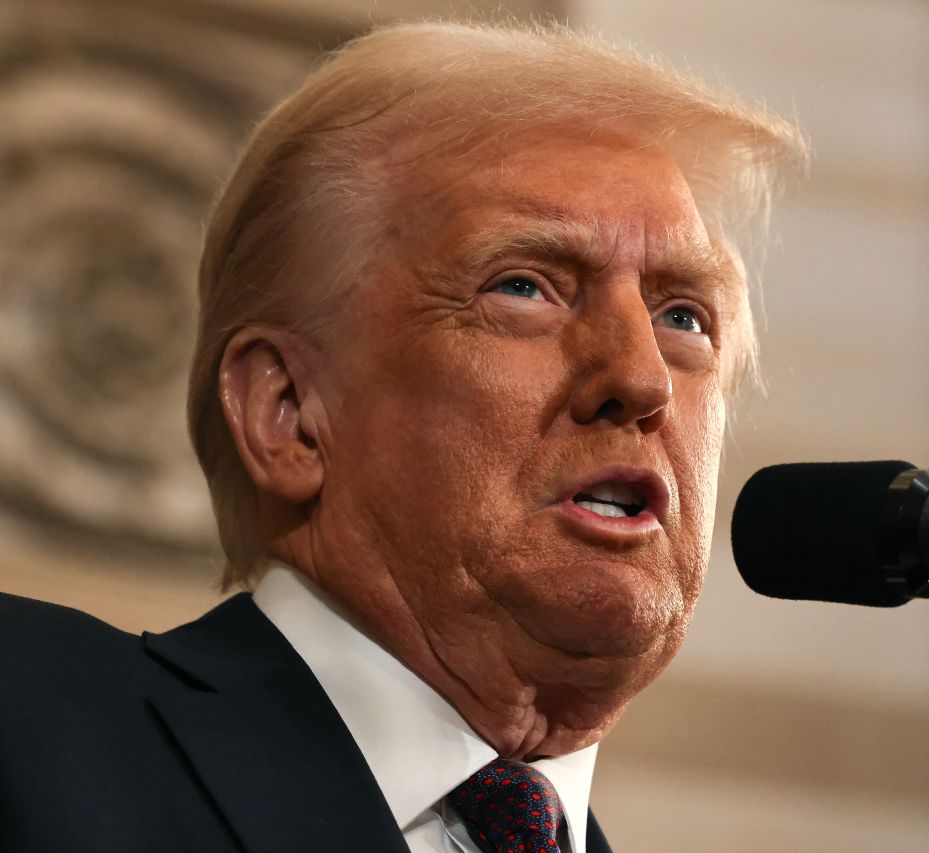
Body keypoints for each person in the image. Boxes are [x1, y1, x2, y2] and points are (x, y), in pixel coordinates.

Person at [0, 21, 805, 853]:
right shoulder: (24, 719)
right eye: (525, 287)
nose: (642, 379)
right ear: (289, 411)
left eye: (683, 316)